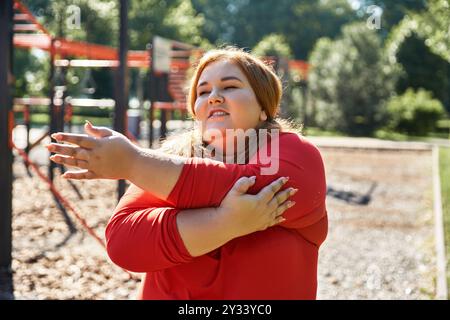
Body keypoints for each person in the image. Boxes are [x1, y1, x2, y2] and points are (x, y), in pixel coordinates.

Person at [47, 47, 328, 299]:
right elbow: (123, 243)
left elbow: (260, 185)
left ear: (264, 108)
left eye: (229, 86)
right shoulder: (172, 159)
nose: (214, 97)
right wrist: (226, 222)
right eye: (203, 92)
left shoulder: (296, 153)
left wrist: (132, 163)